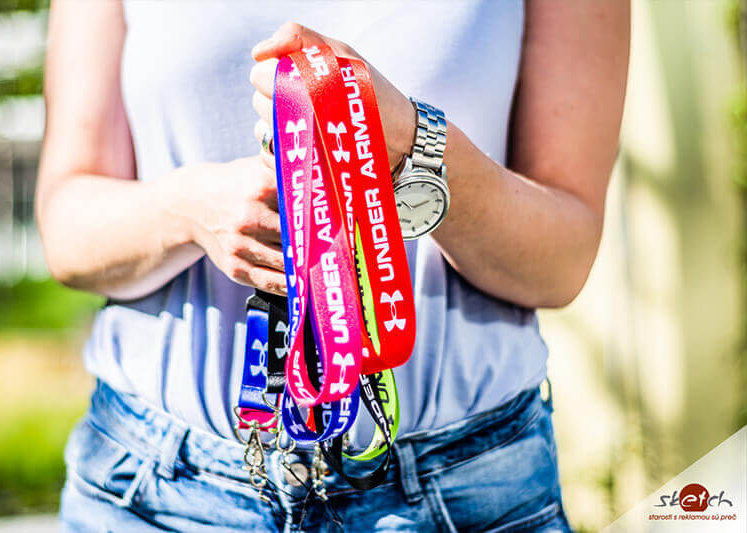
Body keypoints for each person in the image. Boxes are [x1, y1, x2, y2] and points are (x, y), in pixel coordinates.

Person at [37, 1, 629, 531]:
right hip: (158, 491)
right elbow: (66, 228)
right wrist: (185, 211)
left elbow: (563, 262)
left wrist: (414, 147)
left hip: (463, 492)